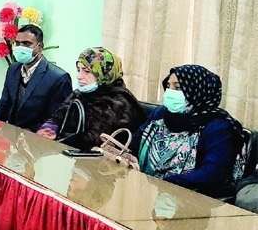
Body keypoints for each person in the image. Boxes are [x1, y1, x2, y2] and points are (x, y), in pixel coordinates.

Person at [129, 64, 247, 196]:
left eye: (178, 87)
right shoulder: (161, 114)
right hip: (144, 189)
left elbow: (212, 173)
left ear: (198, 91)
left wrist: (166, 182)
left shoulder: (218, 127)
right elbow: (134, 146)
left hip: (189, 198)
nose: (170, 92)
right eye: (168, 86)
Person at [36, 47, 146, 151]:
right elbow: (59, 115)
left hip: (104, 166)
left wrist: (56, 146)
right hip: (76, 159)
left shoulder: (118, 103)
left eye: (86, 71)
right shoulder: (83, 93)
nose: (79, 76)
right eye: (79, 70)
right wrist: (49, 128)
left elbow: (93, 139)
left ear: (104, 73)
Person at [0, 24, 72, 131]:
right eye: (18, 43)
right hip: (11, 138)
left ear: (40, 47)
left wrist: (25, 135)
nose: (21, 47)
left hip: (38, 141)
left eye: (27, 44)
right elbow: (4, 105)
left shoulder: (58, 78)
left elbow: (55, 119)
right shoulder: (13, 70)